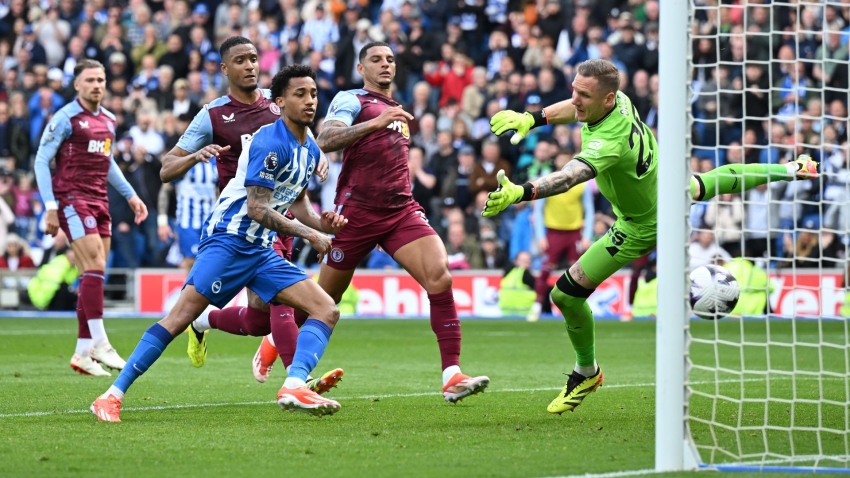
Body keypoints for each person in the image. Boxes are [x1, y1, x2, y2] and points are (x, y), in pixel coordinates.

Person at [482, 58, 819, 415]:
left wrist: (522, 192)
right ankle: (792, 168)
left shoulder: (609, 141)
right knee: (707, 182)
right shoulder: (620, 99)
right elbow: (576, 108)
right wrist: (532, 119)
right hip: (668, 186)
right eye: (574, 91)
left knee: (565, 295)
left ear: (607, 99)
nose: (576, 99)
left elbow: (569, 177)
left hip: (643, 224)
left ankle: (587, 372)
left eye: (584, 94)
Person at [91, 65, 346, 422]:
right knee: (180, 317)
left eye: (314, 94)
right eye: (299, 94)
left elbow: (297, 202)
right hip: (228, 240)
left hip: (261, 248)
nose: (309, 101)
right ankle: (111, 395)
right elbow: (257, 208)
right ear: (280, 101)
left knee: (326, 309)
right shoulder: (270, 141)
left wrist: (323, 225)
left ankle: (294, 384)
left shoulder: (309, 150)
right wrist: (311, 234)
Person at [254, 41, 490, 403]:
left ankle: (451, 374)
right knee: (324, 300)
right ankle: (274, 343)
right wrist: (376, 122)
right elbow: (328, 138)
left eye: (391, 59)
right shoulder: (352, 100)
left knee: (440, 275)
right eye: (376, 59)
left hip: (400, 211)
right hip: (355, 215)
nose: (385, 65)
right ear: (361, 68)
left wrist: (386, 120)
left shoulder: (398, 109)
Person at [157, 37, 341, 394]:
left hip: (282, 219)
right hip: (244, 221)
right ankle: (298, 381)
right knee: (282, 305)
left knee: (259, 321)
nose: (250, 66)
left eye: (254, 58)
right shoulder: (212, 114)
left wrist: (321, 155)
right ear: (225, 68)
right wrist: (194, 156)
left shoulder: (279, 105)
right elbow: (166, 167)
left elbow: (306, 147)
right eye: (241, 60)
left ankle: (204, 320)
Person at [33, 59, 149, 377]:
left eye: (100, 79)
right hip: (72, 198)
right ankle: (100, 341)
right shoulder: (66, 118)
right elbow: (42, 161)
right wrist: (50, 206)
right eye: (90, 80)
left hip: (99, 200)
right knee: (95, 264)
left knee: (91, 272)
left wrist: (130, 195)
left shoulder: (109, 120)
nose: (97, 84)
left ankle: (83, 351)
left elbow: (107, 161)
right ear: (77, 85)